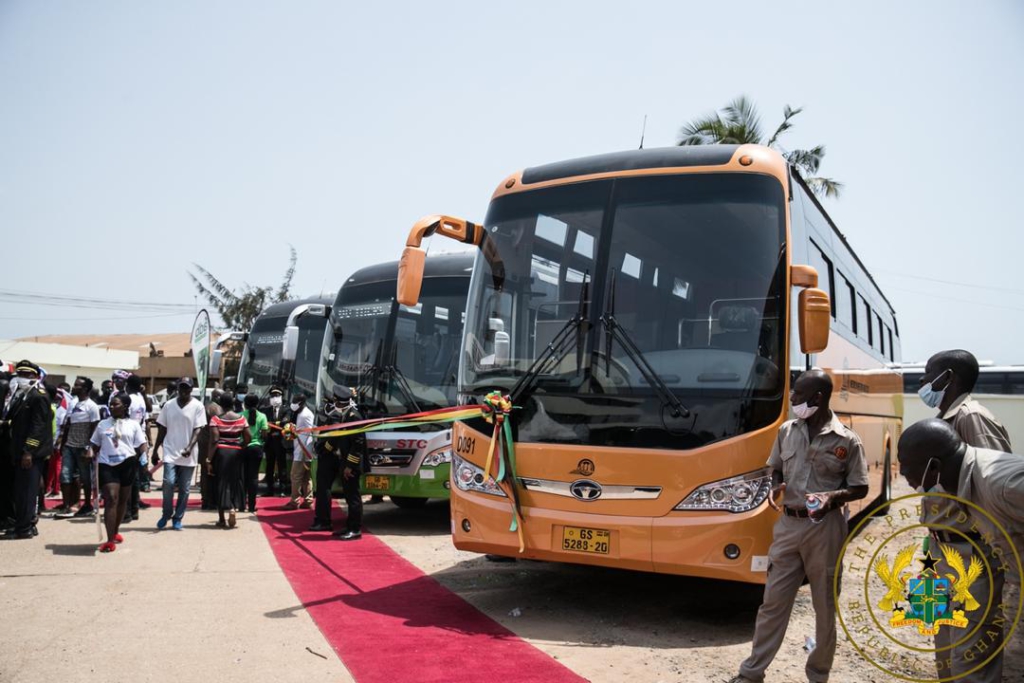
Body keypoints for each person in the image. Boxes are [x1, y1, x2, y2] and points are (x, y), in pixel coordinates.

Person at [730, 369, 868, 683]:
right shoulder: (787, 431)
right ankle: (751, 673)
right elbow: (774, 469)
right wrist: (776, 484)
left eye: (798, 394)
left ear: (817, 397)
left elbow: (860, 487)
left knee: (824, 607)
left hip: (825, 529)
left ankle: (818, 675)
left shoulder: (847, 440)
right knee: (772, 603)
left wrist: (831, 497)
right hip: (788, 527)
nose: (792, 399)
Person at [898, 419, 1023, 681]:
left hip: (983, 566)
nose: (901, 472)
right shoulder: (959, 481)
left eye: (906, 464)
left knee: (975, 663)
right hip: (954, 558)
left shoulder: (1001, 483)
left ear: (933, 467)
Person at [915, 349, 1012, 682]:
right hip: (941, 548)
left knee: (972, 656)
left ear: (949, 377)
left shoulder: (972, 417)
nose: (923, 382)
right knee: (945, 647)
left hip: (971, 552)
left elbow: (996, 483)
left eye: (929, 375)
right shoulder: (946, 419)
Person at [2, 361, 54, 540]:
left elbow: (38, 427)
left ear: (34, 377)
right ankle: (22, 525)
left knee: (27, 492)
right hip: (19, 450)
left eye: (25, 374)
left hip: (31, 453)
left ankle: (24, 529)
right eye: (19, 374)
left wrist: (28, 451)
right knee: (20, 490)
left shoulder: (38, 396)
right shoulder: (23, 394)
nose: (20, 377)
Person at [89, 394, 147, 552]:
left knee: (122, 501)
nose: (112, 407)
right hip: (107, 464)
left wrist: (143, 457)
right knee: (111, 498)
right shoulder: (102, 424)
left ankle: (115, 532)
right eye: (111, 405)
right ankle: (109, 540)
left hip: (127, 464)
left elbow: (142, 444)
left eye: (116, 404)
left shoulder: (133, 425)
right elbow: (94, 444)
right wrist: (89, 452)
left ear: (125, 406)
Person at [310, 386, 366, 536]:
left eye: (336, 401)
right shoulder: (345, 414)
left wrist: (350, 465)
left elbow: (358, 444)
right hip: (344, 461)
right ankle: (349, 526)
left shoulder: (354, 416)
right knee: (348, 495)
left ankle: (355, 529)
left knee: (353, 496)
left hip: (350, 463)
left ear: (340, 402)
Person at [153, 377, 207, 531]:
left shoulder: (198, 406)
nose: (184, 391)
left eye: (187, 388)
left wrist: (190, 447)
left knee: (184, 488)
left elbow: (198, 429)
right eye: (181, 388)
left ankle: (178, 518)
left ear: (191, 389)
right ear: (177, 388)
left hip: (188, 453)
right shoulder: (169, 405)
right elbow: (162, 428)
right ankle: (166, 513)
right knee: (168, 483)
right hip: (170, 450)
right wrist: (156, 448)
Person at [55, 377, 100, 519]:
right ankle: (67, 505)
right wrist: (62, 444)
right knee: (65, 475)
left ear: (85, 389)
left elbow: (95, 428)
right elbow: (68, 424)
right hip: (69, 445)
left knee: (85, 478)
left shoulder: (92, 406)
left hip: (83, 447)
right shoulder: (73, 403)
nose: (73, 387)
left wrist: (90, 447)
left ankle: (87, 504)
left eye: (77, 385)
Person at [207, 392, 249, 528]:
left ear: (221, 405)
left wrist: (209, 459)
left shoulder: (216, 419)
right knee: (235, 481)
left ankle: (221, 519)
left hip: (221, 453)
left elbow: (214, 439)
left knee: (221, 482)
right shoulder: (241, 418)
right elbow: (248, 436)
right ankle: (233, 507)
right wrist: (241, 445)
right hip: (236, 452)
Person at [284, 393, 314, 510]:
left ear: (301, 403)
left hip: (302, 451)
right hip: (303, 450)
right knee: (306, 477)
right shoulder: (301, 413)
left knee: (295, 476)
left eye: (295, 401)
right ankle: (308, 500)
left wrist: (302, 454)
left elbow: (308, 434)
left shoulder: (305, 415)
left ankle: (294, 501)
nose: (293, 404)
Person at [241, 394, 267, 513]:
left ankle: (241, 504)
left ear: (245, 404)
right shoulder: (262, 416)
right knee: (253, 477)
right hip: (256, 448)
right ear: (257, 404)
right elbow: (264, 434)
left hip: (243, 448)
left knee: (243, 477)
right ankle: (251, 506)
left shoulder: (241, 416)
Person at [261, 386, 290, 497]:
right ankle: (270, 490)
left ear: (281, 397)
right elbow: (265, 424)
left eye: (277, 396)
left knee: (282, 466)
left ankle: (282, 490)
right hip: (269, 442)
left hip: (281, 442)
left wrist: (273, 424)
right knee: (269, 467)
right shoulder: (266, 410)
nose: (275, 398)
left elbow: (285, 422)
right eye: (273, 396)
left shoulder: (286, 409)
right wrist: (276, 424)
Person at [199, 389, 223, 510]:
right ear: (217, 397)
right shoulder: (215, 408)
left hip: (203, 442)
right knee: (211, 471)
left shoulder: (205, 406)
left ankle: (205, 499)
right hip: (211, 444)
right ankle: (211, 500)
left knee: (204, 472)